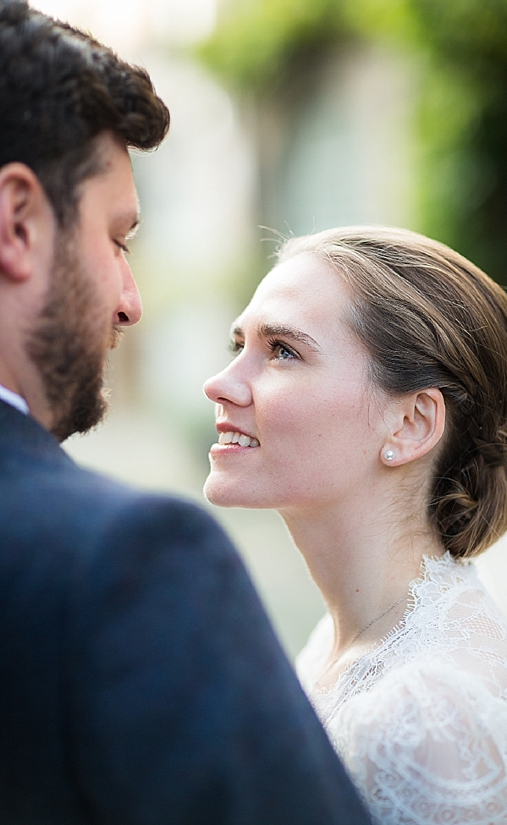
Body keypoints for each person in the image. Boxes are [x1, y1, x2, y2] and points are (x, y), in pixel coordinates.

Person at [0, 3, 373, 823]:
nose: (130, 304)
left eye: (283, 349)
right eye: (118, 237)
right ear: (18, 222)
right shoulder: (122, 562)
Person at [204, 224, 507, 823]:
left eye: (282, 350)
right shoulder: (338, 645)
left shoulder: (428, 719)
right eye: (239, 345)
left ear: (411, 424)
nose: (222, 382)